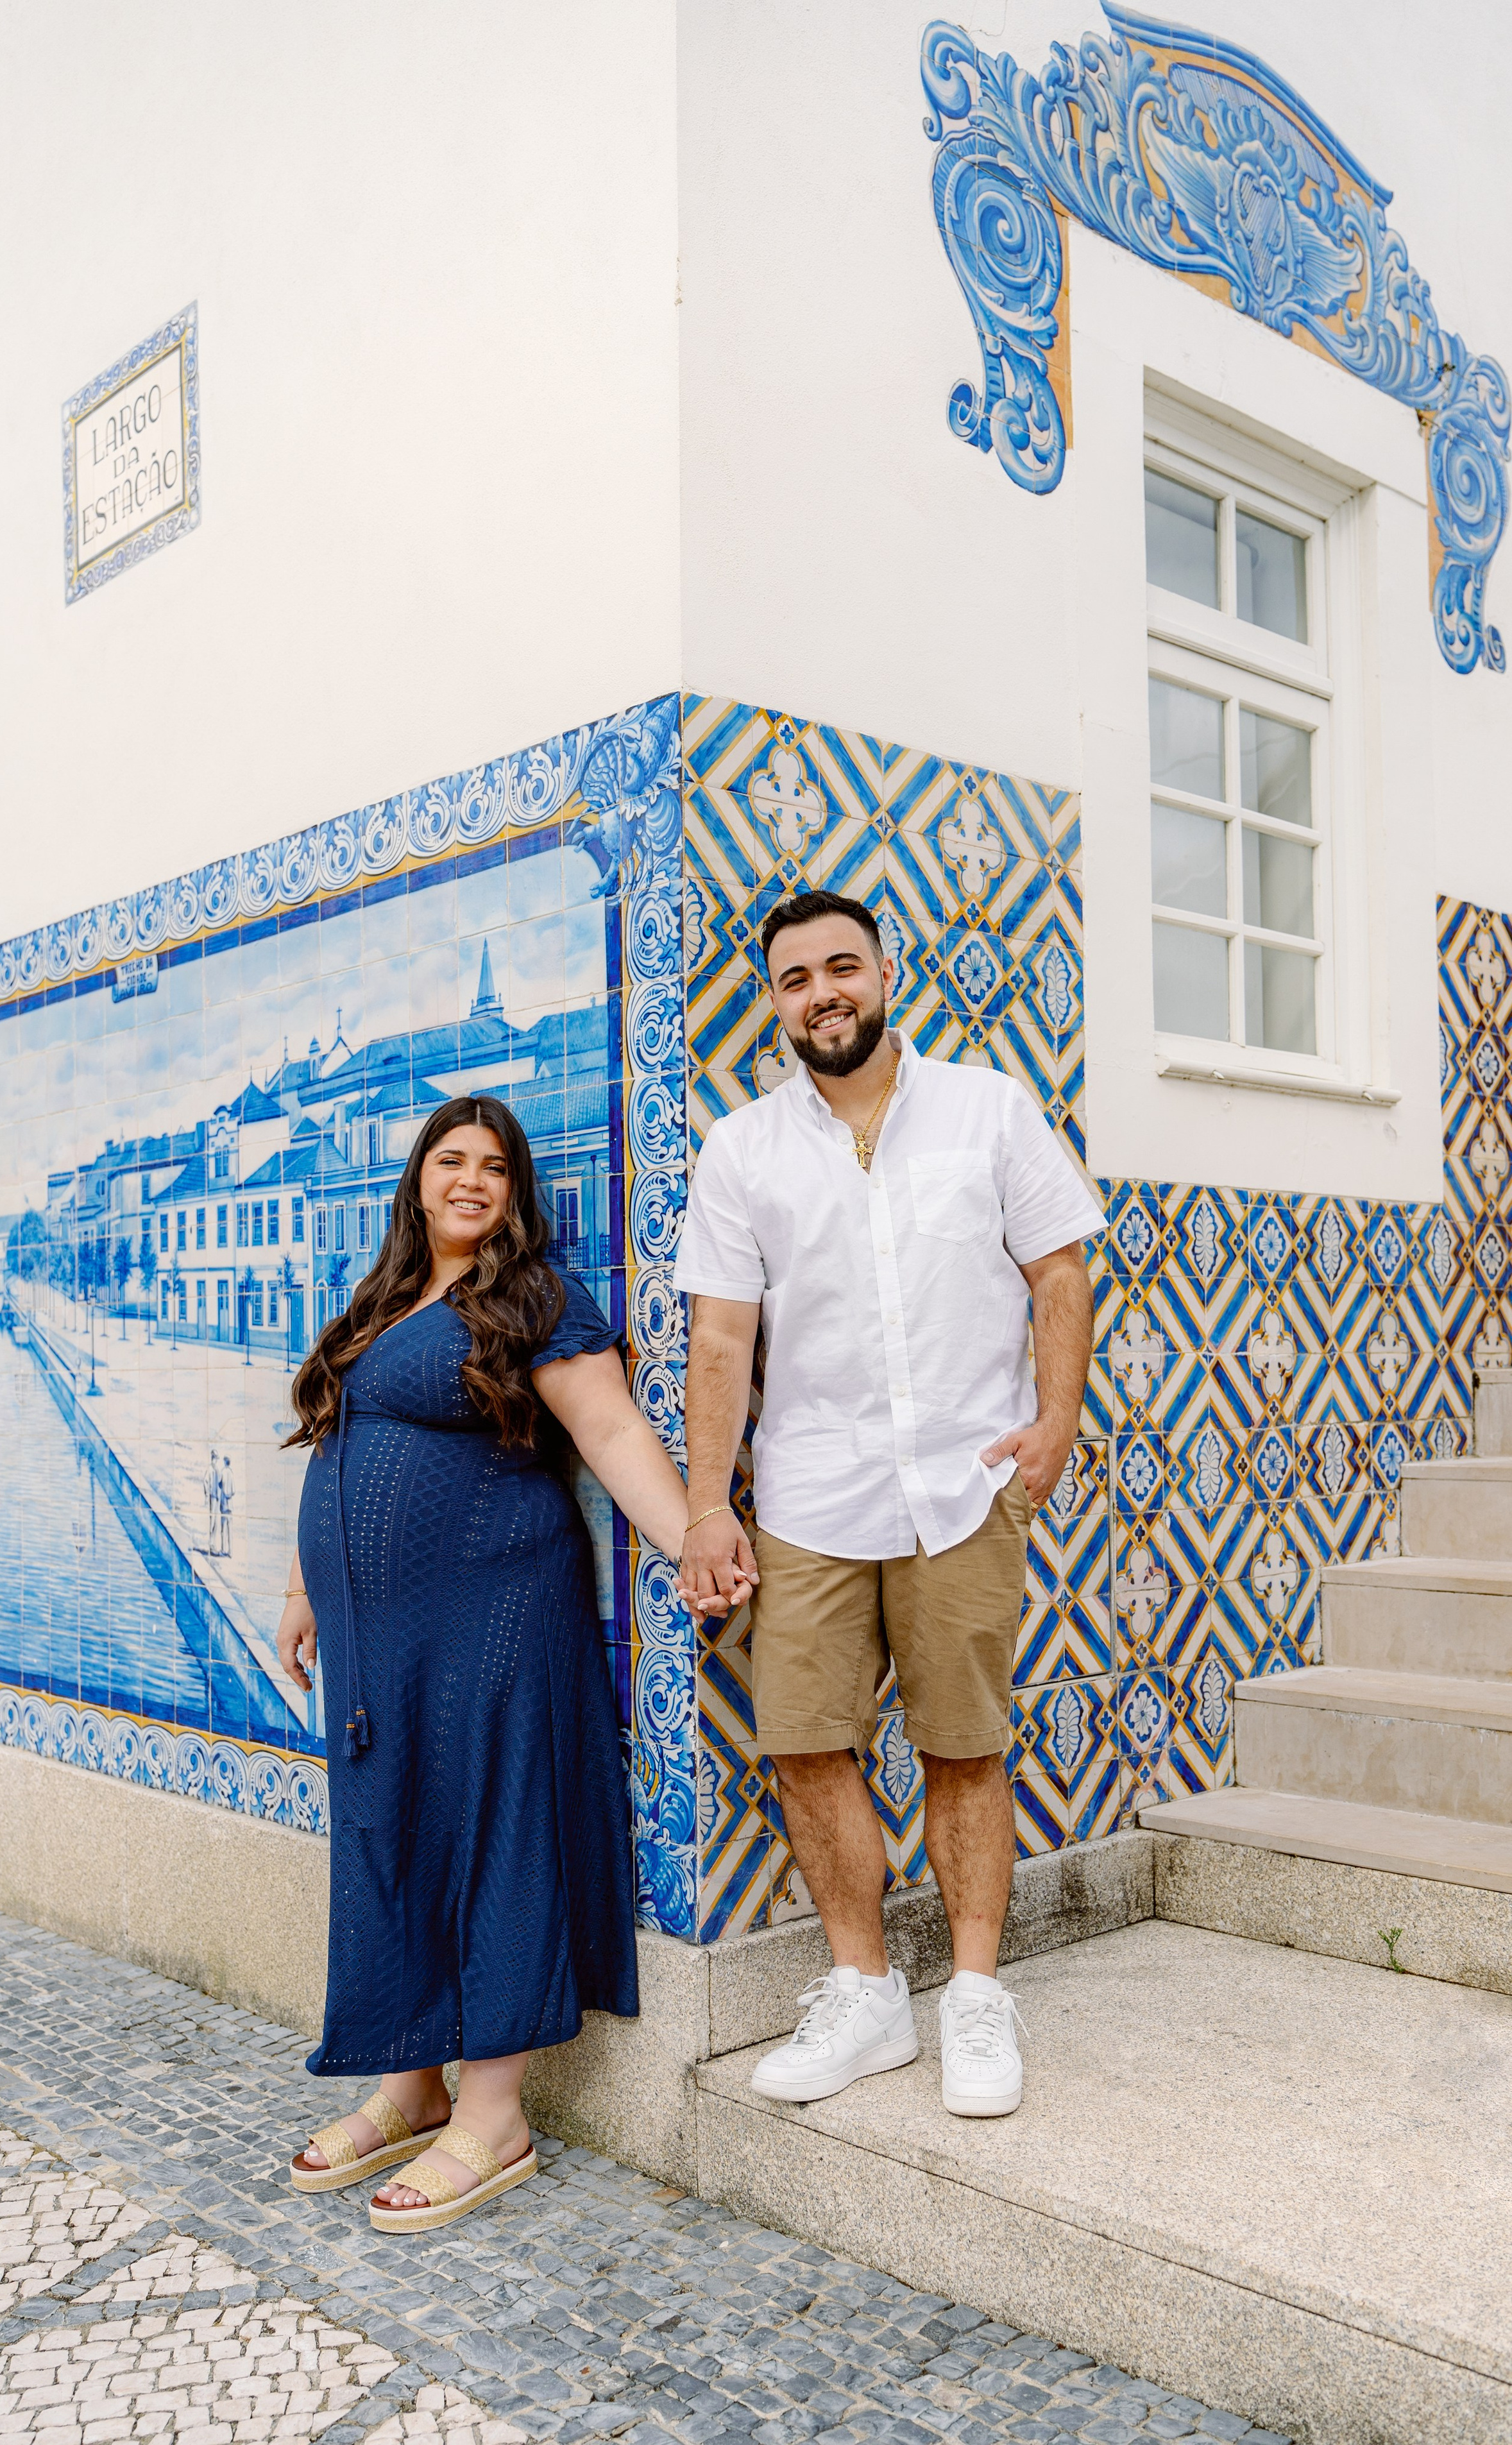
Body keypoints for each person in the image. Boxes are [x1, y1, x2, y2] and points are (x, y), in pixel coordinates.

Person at [675, 887, 1099, 2118]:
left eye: (841, 967)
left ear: (884, 971)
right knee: (804, 1741)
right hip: (811, 1489)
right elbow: (720, 1340)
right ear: (775, 1002)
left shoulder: (988, 1108)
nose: (822, 994)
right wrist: (706, 1505)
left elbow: (1059, 1270)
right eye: (795, 978)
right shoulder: (742, 1149)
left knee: (964, 1741)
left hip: (965, 1484)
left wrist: (1056, 1422)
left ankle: (974, 1994)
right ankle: (866, 1994)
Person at [278, 1095, 726, 2231]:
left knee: (494, 1829)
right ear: (419, 1179)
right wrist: (302, 1588)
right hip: (378, 1638)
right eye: (451, 1159)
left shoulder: (534, 1299)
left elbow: (611, 1431)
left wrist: (692, 1536)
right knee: (393, 1827)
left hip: (496, 1612)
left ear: (516, 1192)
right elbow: (337, 1443)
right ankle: (410, 2085)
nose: (470, 1179)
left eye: (494, 1165)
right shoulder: (381, 1298)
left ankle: (494, 2113)